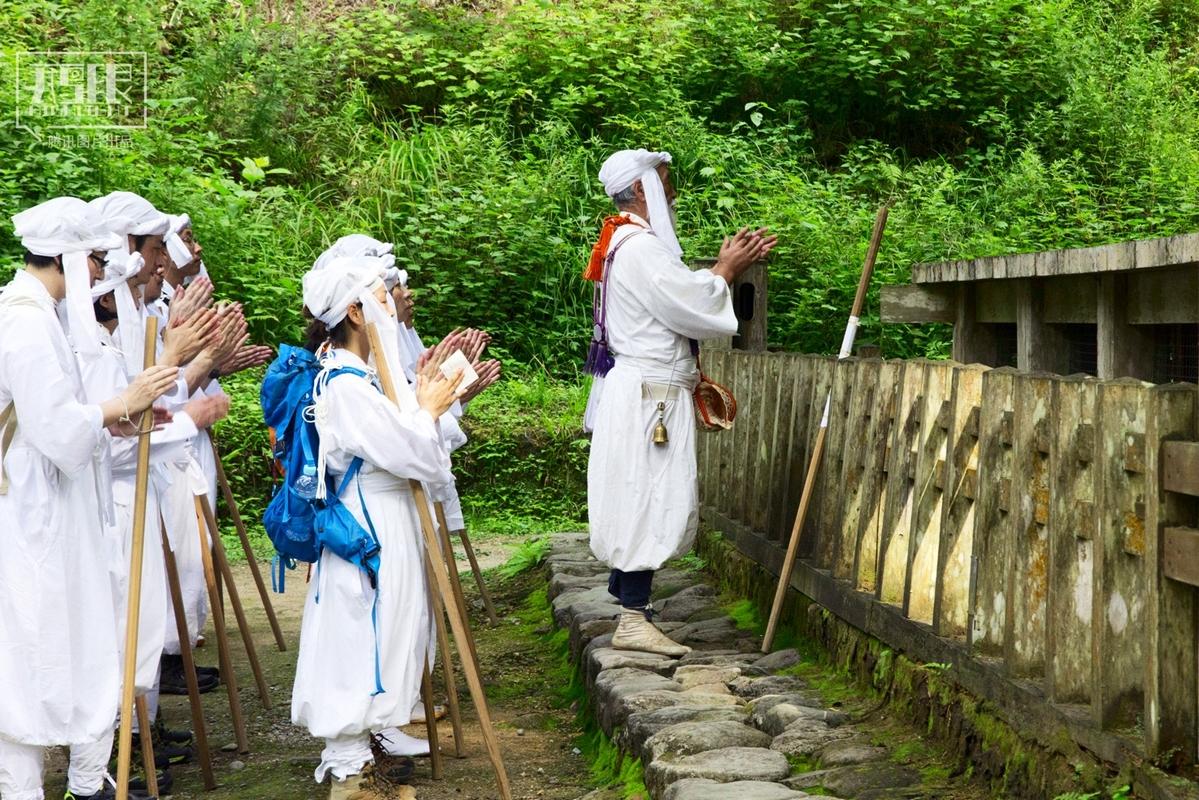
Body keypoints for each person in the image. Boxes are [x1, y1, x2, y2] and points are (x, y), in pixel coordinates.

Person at [0, 197, 178, 800]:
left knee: (74, 637)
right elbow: (54, 430)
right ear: (67, 259)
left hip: (55, 507)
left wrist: (111, 420)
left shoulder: (41, 312)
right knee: (32, 647)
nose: (102, 273)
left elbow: (62, 422)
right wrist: (118, 405)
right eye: (96, 260)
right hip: (33, 513)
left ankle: (86, 778)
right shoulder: (24, 318)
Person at [586, 149, 776, 657]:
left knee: (636, 491)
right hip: (652, 398)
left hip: (648, 390)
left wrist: (720, 270)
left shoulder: (621, 242)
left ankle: (631, 603)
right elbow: (689, 307)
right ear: (643, 193)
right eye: (665, 186)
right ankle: (631, 615)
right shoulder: (639, 248)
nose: (671, 194)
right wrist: (725, 269)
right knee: (645, 496)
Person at [292, 259, 462, 800]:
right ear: (355, 313)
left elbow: (418, 452)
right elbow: (410, 452)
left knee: (392, 628)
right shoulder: (345, 384)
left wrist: (427, 407)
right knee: (363, 631)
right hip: (371, 518)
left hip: (387, 512)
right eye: (381, 298)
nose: (394, 304)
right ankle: (349, 773)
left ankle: (362, 761)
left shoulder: (362, 377)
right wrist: (429, 410)